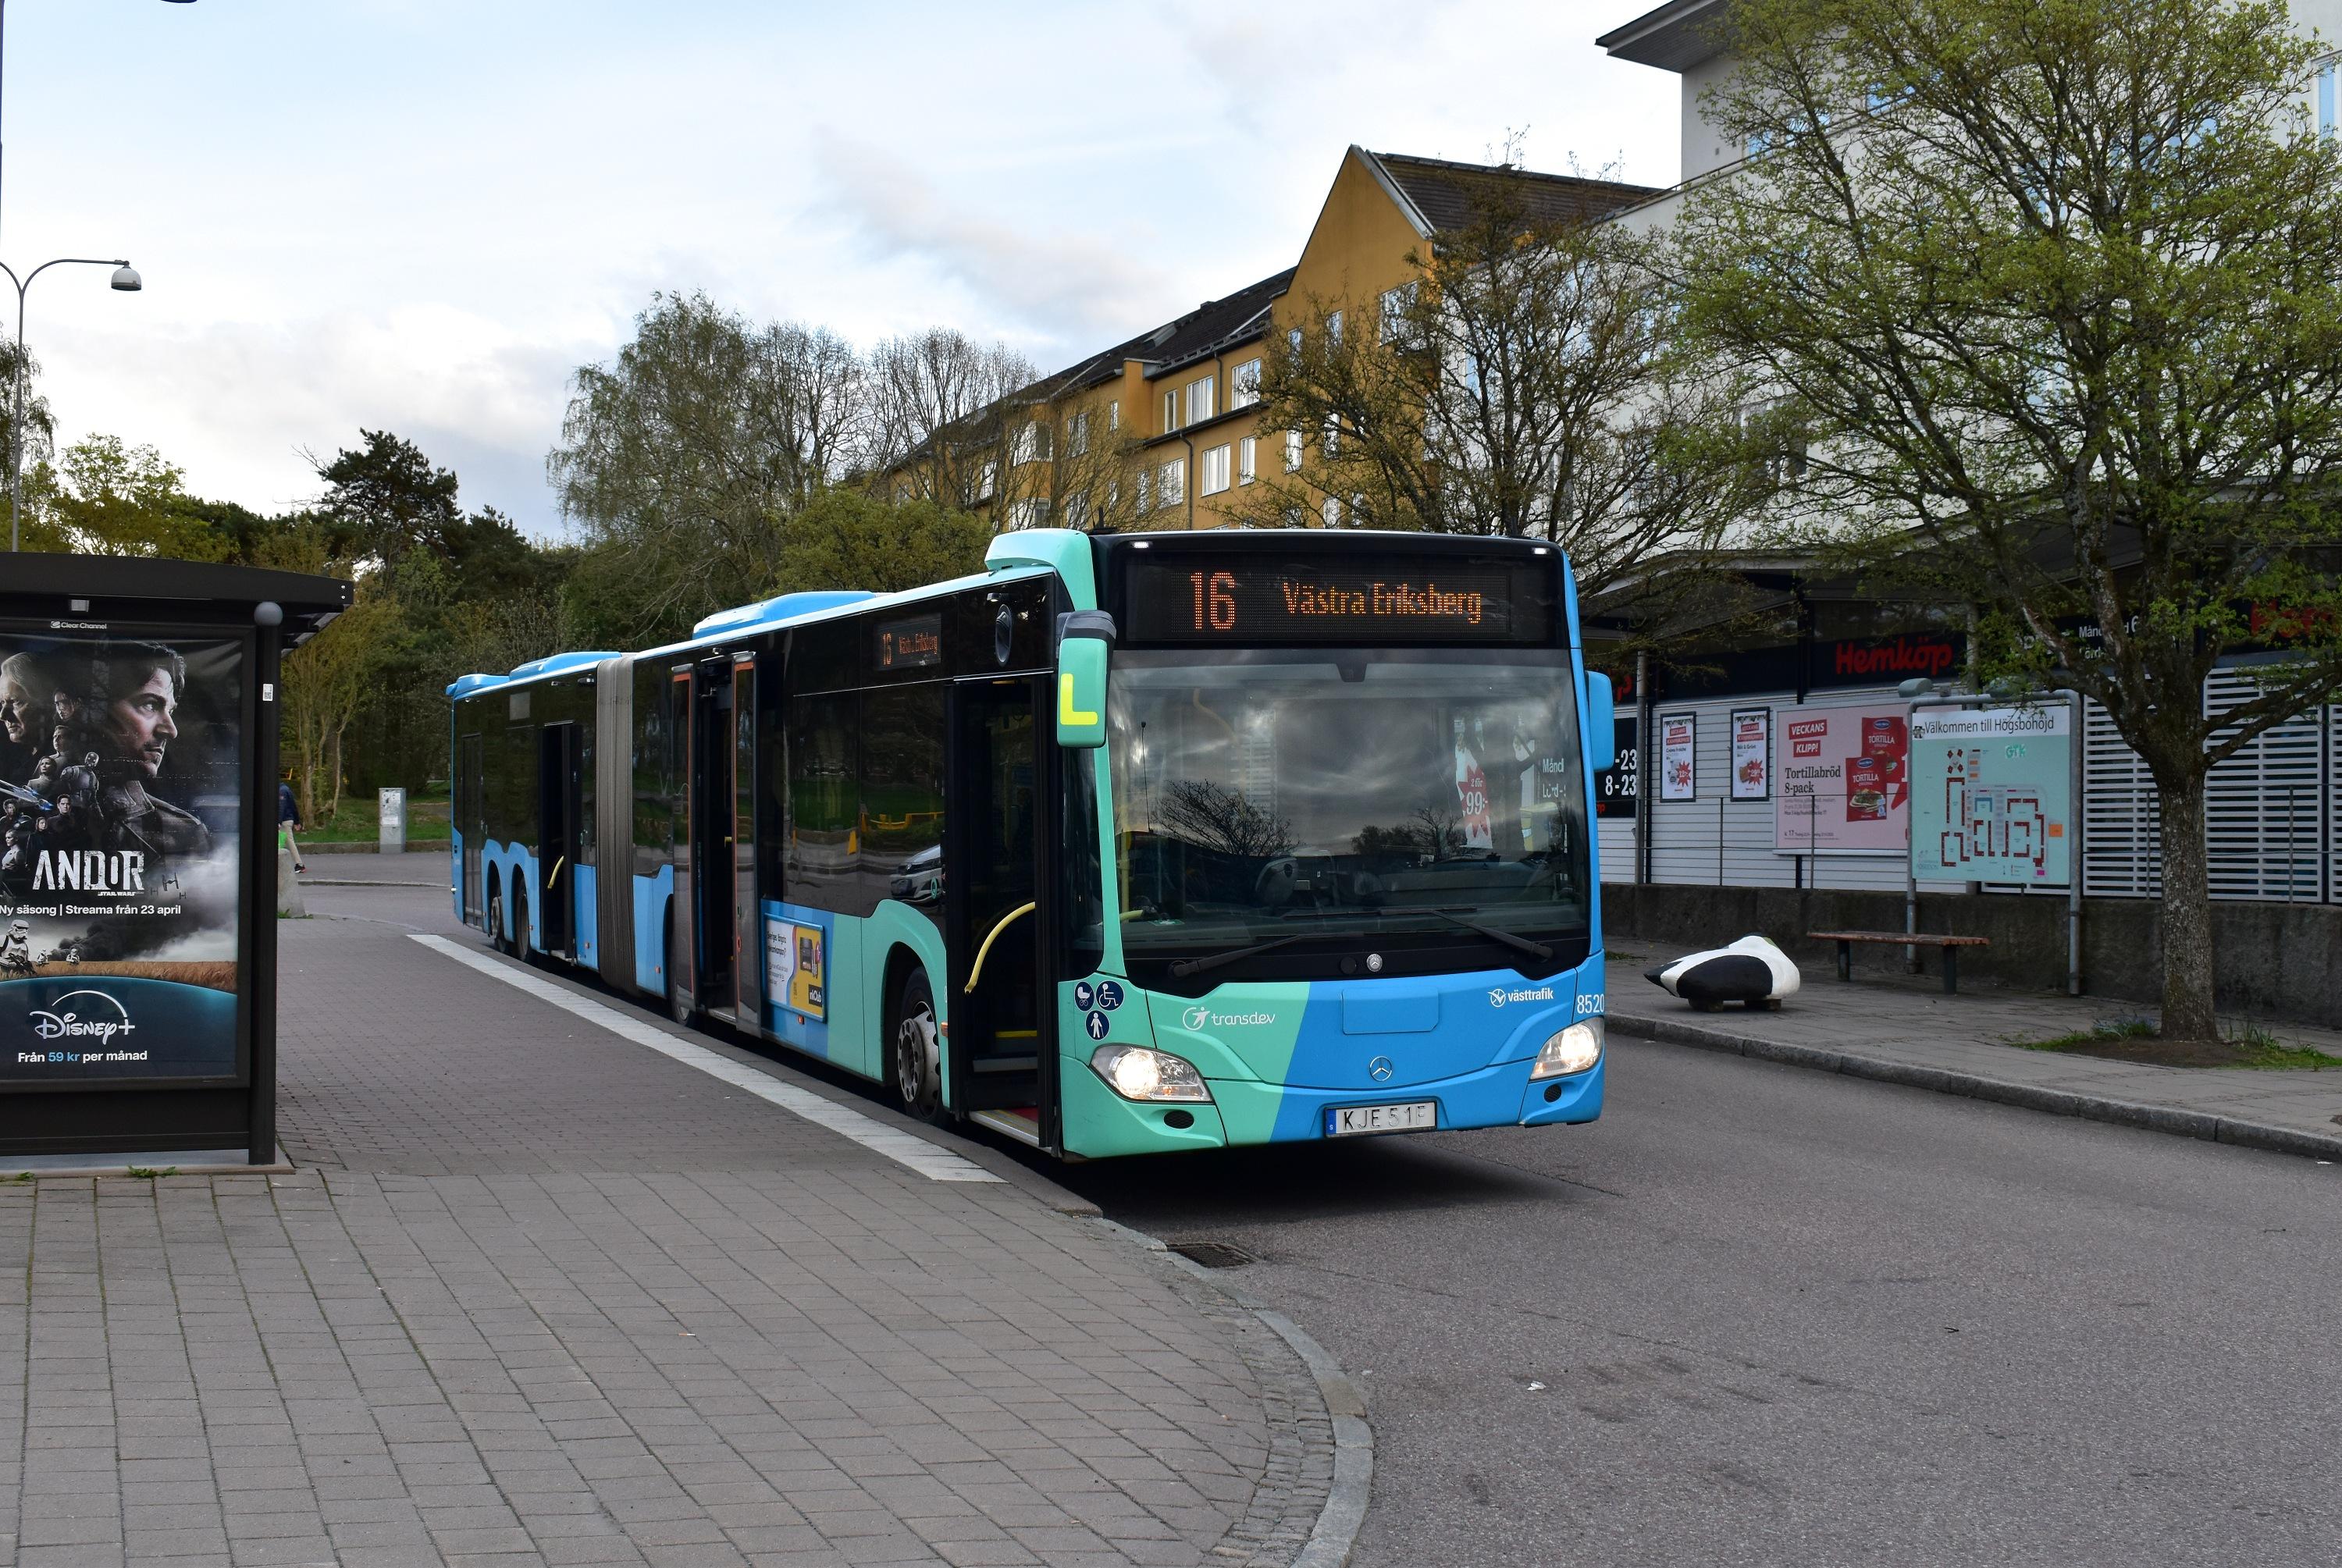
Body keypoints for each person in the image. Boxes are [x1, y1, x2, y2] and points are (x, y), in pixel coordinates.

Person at [89, 642, 210, 864]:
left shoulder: (182, 832)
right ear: (97, 712)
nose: (171, 731)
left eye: (170, 710)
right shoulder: (23, 806)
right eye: (150, 705)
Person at [278, 777, 305, 873]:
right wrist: (297, 822)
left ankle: (300, 864)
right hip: (288, 820)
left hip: (284, 821)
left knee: (289, 843)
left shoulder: (281, 791)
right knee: (281, 843)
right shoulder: (286, 789)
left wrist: (278, 822)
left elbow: (281, 808)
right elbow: (294, 807)